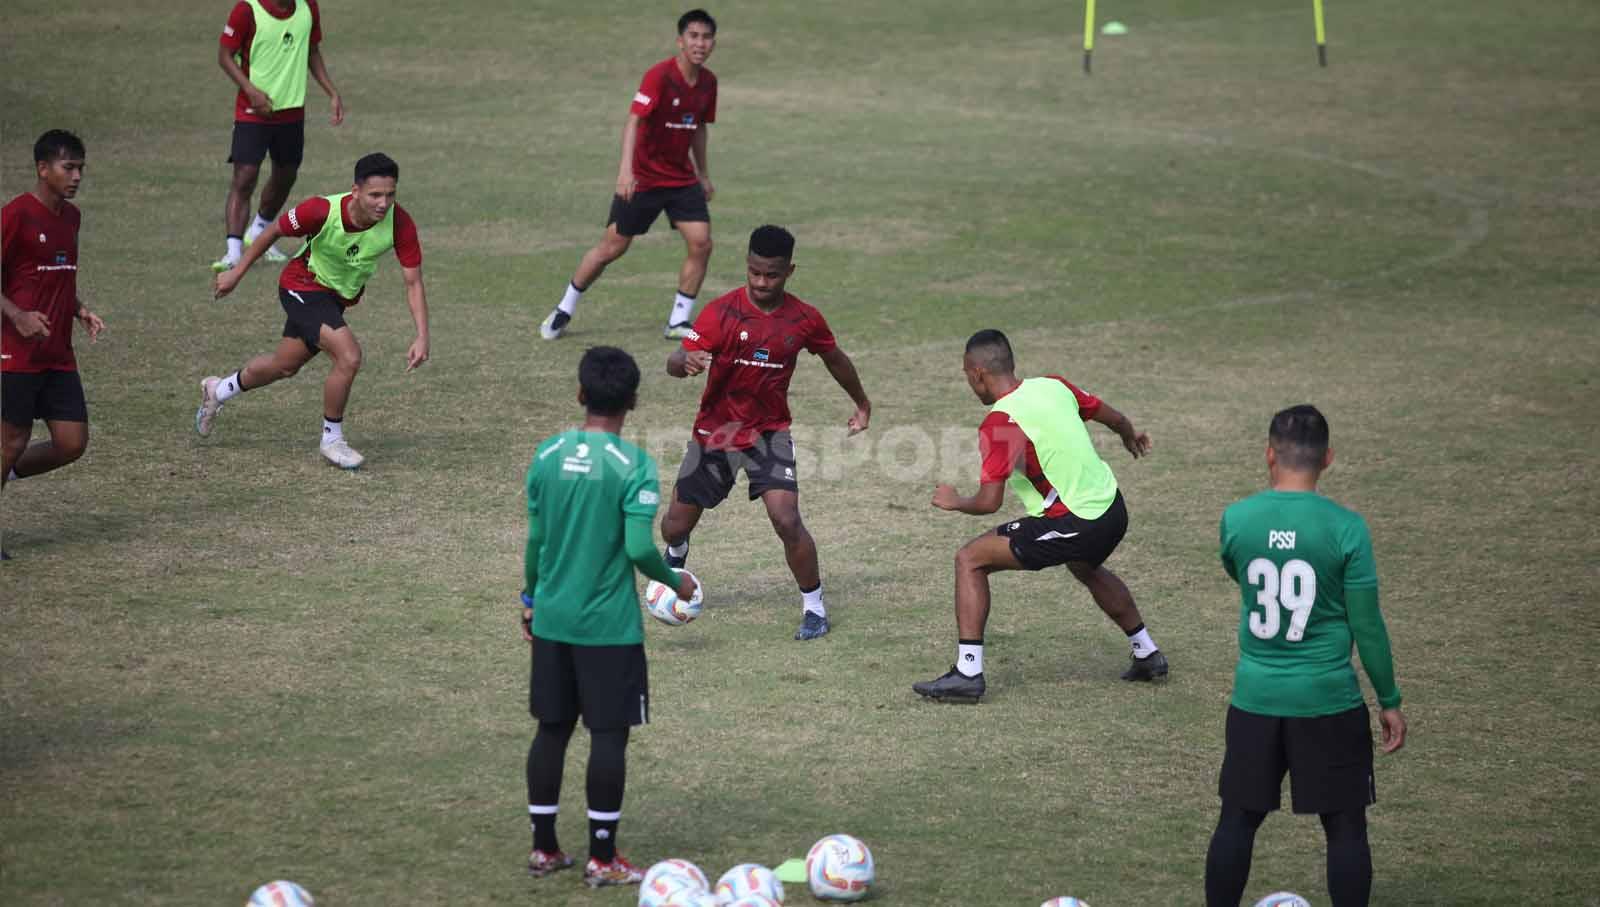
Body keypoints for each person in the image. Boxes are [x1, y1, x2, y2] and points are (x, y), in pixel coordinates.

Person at [1204, 404, 1406, 907]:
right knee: (1345, 828)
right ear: (1328, 458)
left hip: (1255, 697)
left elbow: (1241, 574)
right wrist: (1389, 699)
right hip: (1328, 701)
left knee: (1236, 820)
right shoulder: (1347, 528)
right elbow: (1367, 626)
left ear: (1270, 455)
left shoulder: (1237, 519)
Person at [520, 346, 698, 889]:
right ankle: (602, 857)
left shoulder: (547, 455)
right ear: (634, 401)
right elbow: (638, 548)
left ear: (580, 395)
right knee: (608, 736)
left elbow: (536, 540)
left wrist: (530, 599)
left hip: (552, 616)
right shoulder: (635, 465)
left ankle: (544, 848)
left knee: (552, 730)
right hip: (607, 628)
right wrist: (675, 580)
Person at [913, 329, 1162, 702]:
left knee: (969, 560)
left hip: (1077, 521)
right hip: (1113, 507)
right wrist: (1129, 435)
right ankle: (1147, 653)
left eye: (967, 375)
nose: (969, 383)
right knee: (1084, 565)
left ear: (978, 372)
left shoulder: (1000, 423)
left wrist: (955, 500)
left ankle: (967, 672)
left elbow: (989, 501)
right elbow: (1110, 415)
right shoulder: (1053, 385)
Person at [662, 225, 871, 640]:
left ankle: (814, 608)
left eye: (771, 275)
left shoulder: (804, 318)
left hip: (768, 434)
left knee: (787, 520)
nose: (761, 283)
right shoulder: (721, 313)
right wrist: (682, 363)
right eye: (754, 272)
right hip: (716, 434)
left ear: (789, 271)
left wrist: (862, 402)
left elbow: (835, 359)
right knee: (673, 526)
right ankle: (677, 550)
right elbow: (676, 356)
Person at [196, 152, 428, 469]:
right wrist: (236, 273)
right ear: (355, 191)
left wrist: (422, 335)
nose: (383, 203)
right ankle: (332, 440)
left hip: (335, 299)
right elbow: (273, 231)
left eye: (390, 195)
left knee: (284, 365)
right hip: (301, 285)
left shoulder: (399, 223)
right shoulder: (321, 209)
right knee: (349, 356)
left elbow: (413, 282)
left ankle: (217, 390)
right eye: (375, 194)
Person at [540, 9, 718, 341]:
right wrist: (626, 172)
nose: (700, 43)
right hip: (645, 179)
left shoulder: (708, 83)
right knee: (612, 247)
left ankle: (678, 321)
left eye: (706, 37)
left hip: (681, 180)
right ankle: (565, 307)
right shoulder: (659, 77)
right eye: (693, 36)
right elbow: (634, 120)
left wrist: (704, 174)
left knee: (702, 243)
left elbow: (698, 128)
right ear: (680, 41)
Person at [2, 130, 106, 560]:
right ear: (43, 169)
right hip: (15, 352)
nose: (77, 175)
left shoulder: (71, 217)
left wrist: (78, 308)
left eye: (80, 167)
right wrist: (18, 316)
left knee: (71, 442)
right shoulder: (16, 216)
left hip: (58, 353)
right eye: (69, 167)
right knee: (12, 438)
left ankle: (7, 469)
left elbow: (57, 274)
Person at [212, 0, 345, 272]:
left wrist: (331, 91)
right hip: (252, 111)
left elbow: (312, 50)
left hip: (291, 112)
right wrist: (250, 90)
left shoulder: (307, 7)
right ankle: (233, 252)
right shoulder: (247, 10)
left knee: (286, 175)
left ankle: (259, 231)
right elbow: (225, 56)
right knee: (245, 176)